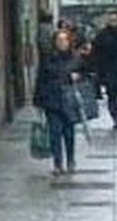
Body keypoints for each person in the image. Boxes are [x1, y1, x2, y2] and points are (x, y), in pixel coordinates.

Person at [35, 28, 87, 172]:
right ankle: (58, 163)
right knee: (55, 132)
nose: (62, 43)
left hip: (69, 101)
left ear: (69, 42)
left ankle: (70, 159)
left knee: (69, 133)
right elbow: (41, 80)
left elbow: (86, 75)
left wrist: (78, 77)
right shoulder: (48, 58)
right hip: (52, 99)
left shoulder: (76, 58)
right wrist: (38, 101)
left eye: (64, 40)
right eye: (59, 40)